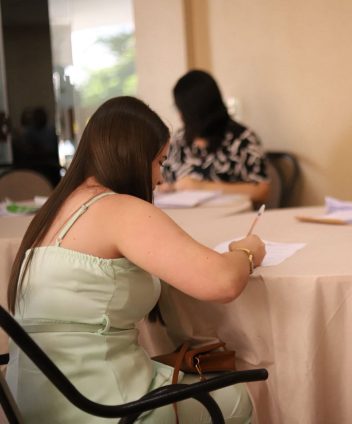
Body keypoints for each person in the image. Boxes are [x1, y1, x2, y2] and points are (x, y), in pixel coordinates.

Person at [5, 96, 266, 423]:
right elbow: (222, 282)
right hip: (100, 408)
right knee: (235, 397)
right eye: (160, 161)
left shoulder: (54, 210)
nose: (160, 178)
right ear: (133, 156)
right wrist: (248, 252)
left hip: (31, 404)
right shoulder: (119, 209)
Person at [161, 70, 270, 208]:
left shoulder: (241, 139)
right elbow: (163, 180)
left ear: (196, 110)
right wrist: (168, 187)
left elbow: (261, 191)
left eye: (182, 109)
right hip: (183, 215)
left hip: (231, 216)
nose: (180, 116)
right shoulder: (178, 140)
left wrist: (202, 187)